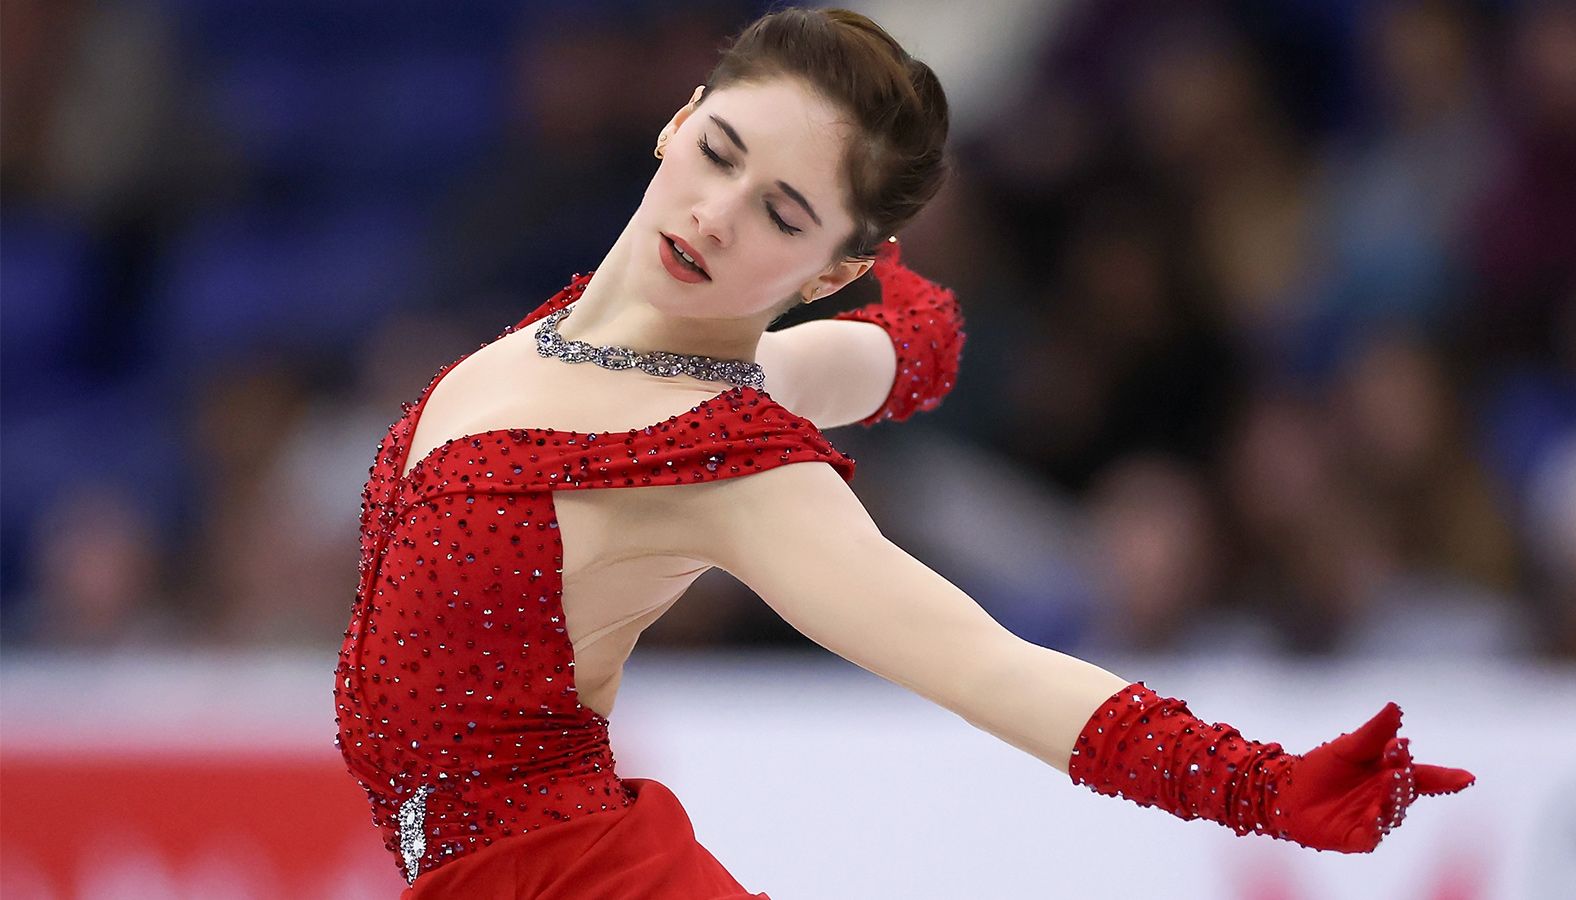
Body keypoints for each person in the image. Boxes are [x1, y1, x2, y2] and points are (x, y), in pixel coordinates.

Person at [333, 8, 1474, 898]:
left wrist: (1266, 787)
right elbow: (907, 348)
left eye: (783, 215)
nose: (718, 214)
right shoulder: (603, 343)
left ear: (832, 269)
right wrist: (917, 326)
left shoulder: (722, 457)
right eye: (720, 152)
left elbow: (989, 668)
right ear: (680, 119)